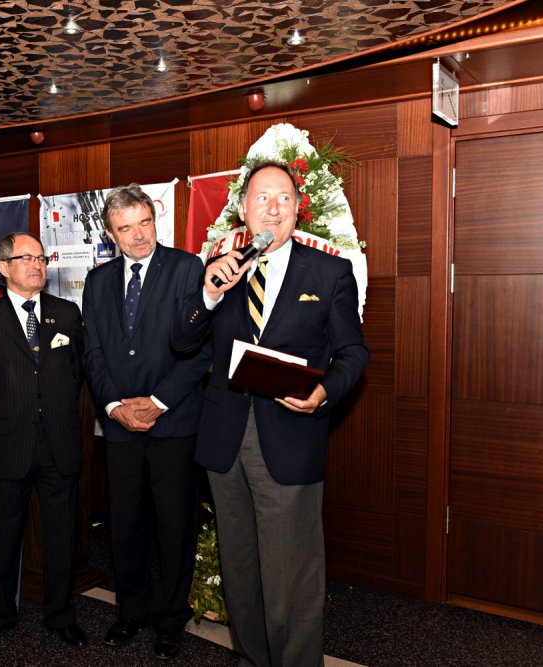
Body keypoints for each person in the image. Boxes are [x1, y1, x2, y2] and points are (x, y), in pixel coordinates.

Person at [171, 161, 368, 666]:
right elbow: (182, 340)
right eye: (262, 198)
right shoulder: (222, 268)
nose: (273, 208)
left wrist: (323, 392)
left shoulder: (329, 271)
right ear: (243, 209)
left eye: (284, 198)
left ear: (298, 208)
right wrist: (209, 293)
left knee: (292, 578)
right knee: (241, 573)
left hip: (289, 438)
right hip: (225, 441)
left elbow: (353, 354)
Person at [82, 184, 211, 659]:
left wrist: (158, 402)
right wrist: (113, 405)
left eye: (144, 223)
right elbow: (92, 351)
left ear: (155, 221)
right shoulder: (97, 281)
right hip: (119, 425)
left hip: (173, 423)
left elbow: (201, 349)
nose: (138, 236)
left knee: (175, 526)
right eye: (125, 228)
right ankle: (130, 611)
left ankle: (170, 619)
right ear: (111, 234)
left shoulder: (187, 268)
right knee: (125, 524)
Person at [0, 232, 87, 647]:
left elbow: (75, 375)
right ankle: (1, 613)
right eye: (26, 258)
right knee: (5, 536)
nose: (37, 265)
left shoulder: (66, 314)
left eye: (41, 258)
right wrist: (13, 409)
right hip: (8, 443)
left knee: (61, 535)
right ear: (3, 268)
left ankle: (60, 614)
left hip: (59, 443)